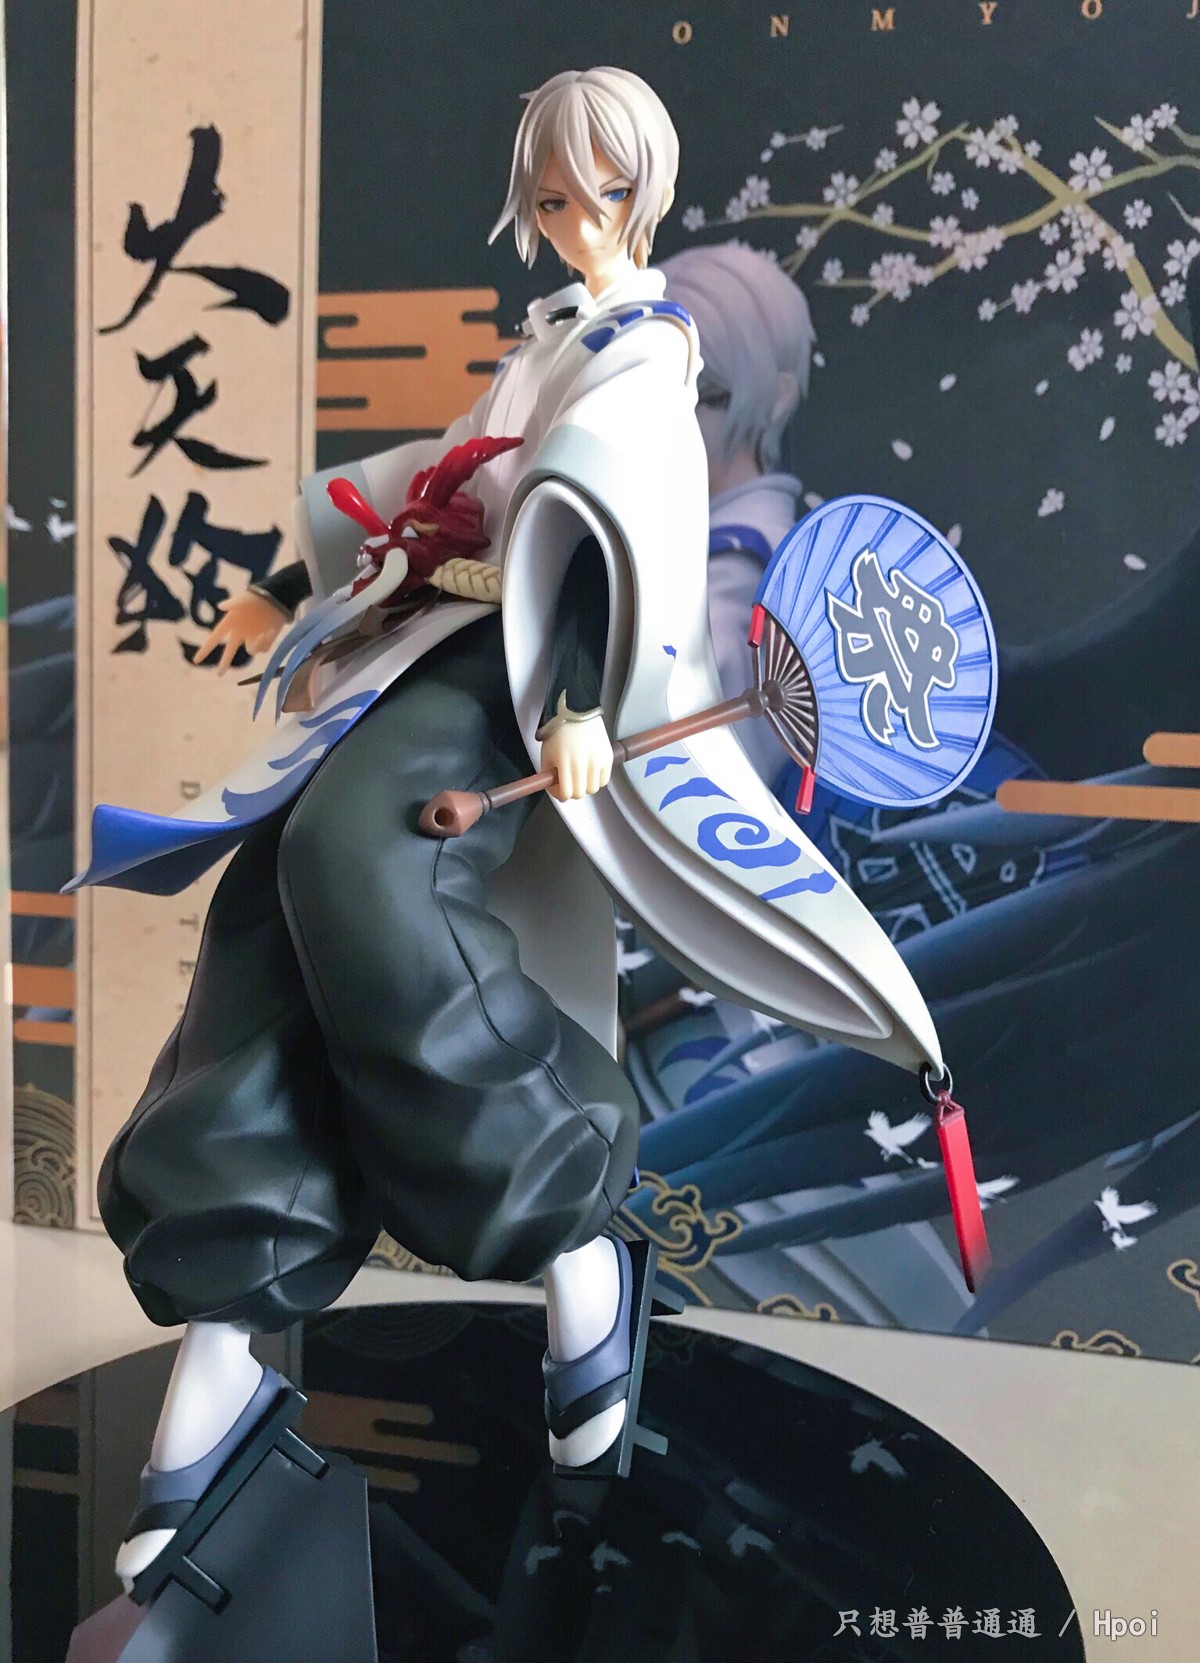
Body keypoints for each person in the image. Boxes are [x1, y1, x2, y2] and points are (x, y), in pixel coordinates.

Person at [72, 67, 949, 1593]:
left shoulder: (651, 352)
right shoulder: (553, 335)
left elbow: (620, 525)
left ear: (644, 193)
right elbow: (443, 480)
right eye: (551, 196)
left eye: (599, 193)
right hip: (435, 637)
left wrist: (586, 694)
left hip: (532, 666)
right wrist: (305, 576)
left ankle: (568, 1220)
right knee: (277, 895)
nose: (573, 219)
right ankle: (233, 1310)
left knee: (363, 857)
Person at [661, 241, 814, 782]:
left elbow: (698, 772)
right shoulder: (724, 548)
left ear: (776, 399)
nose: (677, 418)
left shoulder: (739, 570)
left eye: (709, 396)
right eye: (659, 392)